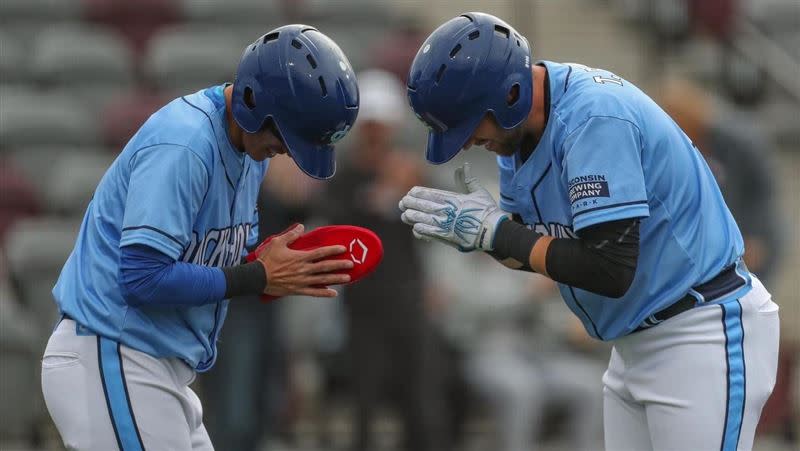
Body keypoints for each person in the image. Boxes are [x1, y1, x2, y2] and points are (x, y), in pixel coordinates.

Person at [399, 12, 780, 451]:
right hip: (633, 341)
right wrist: (486, 238)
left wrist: (499, 235)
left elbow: (609, 268)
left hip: (698, 330)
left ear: (511, 95)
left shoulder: (592, 117)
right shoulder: (518, 133)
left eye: (468, 126)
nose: (465, 142)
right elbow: (538, 251)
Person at [40, 24, 359, 450]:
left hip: (156, 366)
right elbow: (141, 279)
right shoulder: (185, 144)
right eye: (286, 137)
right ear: (253, 104)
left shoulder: (248, 149)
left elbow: (217, 264)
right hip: (113, 353)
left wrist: (278, 269)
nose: (286, 151)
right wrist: (259, 277)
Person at [319, 69, 448, 451]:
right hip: (364, 303)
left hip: (409, 299)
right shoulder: (344, 176)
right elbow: (335, 224)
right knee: (366, 401)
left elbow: (439, 221)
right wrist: (382, 192)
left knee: (422, 399)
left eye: (382, 126)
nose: (377, 134)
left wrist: (412, 184)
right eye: (371, 126)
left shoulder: (410, 171)